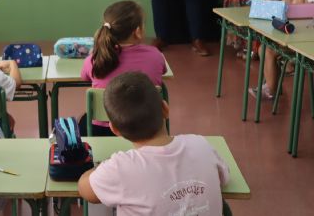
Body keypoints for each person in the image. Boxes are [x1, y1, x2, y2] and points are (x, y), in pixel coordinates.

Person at [78, 72, 230, 215]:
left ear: (115, 129)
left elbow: (84, 189)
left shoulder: (119, 168)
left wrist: (102, 167)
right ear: (165, 108)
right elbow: (224, 177)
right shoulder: (201, 145)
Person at [79, 0, 166, 136]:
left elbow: (84, 77)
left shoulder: (94, 59)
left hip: (103, 130)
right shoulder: (155, 55)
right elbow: (163, 71)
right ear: (137, 31)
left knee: (84, 119)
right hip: (146, 128)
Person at [250, 0, 314, 101]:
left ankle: (270, 89)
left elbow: (295, 11)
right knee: (263, 48)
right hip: (304, 41)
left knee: (268, 51)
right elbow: (293, 9)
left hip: (308, 46)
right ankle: (272, 86)